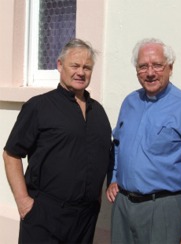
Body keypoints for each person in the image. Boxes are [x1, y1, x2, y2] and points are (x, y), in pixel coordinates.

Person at [3, 38, 112, 244]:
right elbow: (11, 154)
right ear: (60, 65)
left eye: (87, 67)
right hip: (45, 215)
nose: (81, 72)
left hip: (85, 218)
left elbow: (101, 154)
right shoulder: (39, 107)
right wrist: (23, 202)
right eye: (75, 65)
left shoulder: (98, 111)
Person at [106, 38, 181, 244]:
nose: (150, 72)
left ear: (170, 68)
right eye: (143, 66)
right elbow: (118, 144)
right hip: (123, 207)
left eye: (157, 65)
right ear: (136, 70)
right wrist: (114, 177)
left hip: (163, 208)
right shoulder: (129, 102)